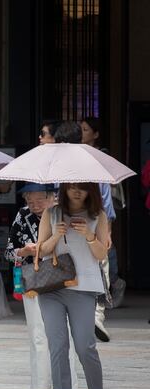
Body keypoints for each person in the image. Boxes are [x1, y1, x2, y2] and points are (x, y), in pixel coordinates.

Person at [37, 182, 110, 389]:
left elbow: (101, 254)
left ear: (91, 191)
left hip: (85, 288)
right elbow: (40, 251)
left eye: (83, 188)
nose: (77, 192)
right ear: (65, 189)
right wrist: (57, 235)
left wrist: (89, 236)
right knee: (58, 345)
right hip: (53, 288)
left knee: (85, 346)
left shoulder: (98, 216)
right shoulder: (51, 213)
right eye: (72, 187)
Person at [5, 183, 79, 389]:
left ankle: (65, 388)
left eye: (39, 200)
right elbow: (10, 251)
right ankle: (41, 387)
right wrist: (23, 251)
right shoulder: (22, 215)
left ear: (52, 197)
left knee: (64, 334)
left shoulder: (64, 214)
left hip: (62, 278)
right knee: (37, 333)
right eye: (30, 201)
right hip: (34, 277)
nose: (34, 205)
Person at [53, 121, 114, 343]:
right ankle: (91, 314)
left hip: (92, 221)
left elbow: (104, 198)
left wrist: (105, 231)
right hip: (67, 225)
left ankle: (96, 314)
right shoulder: (66, 166)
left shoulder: (90, 164)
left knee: (98, 266)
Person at [81, 116, 126, 309]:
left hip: (98, 211)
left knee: (106, 249)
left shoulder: (102, 158)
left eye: (85, 129)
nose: (82, 133)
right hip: (84, 212)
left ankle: (111, 285)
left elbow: (106, 198)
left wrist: (108, 227)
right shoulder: (78, 156)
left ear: (96, 134)